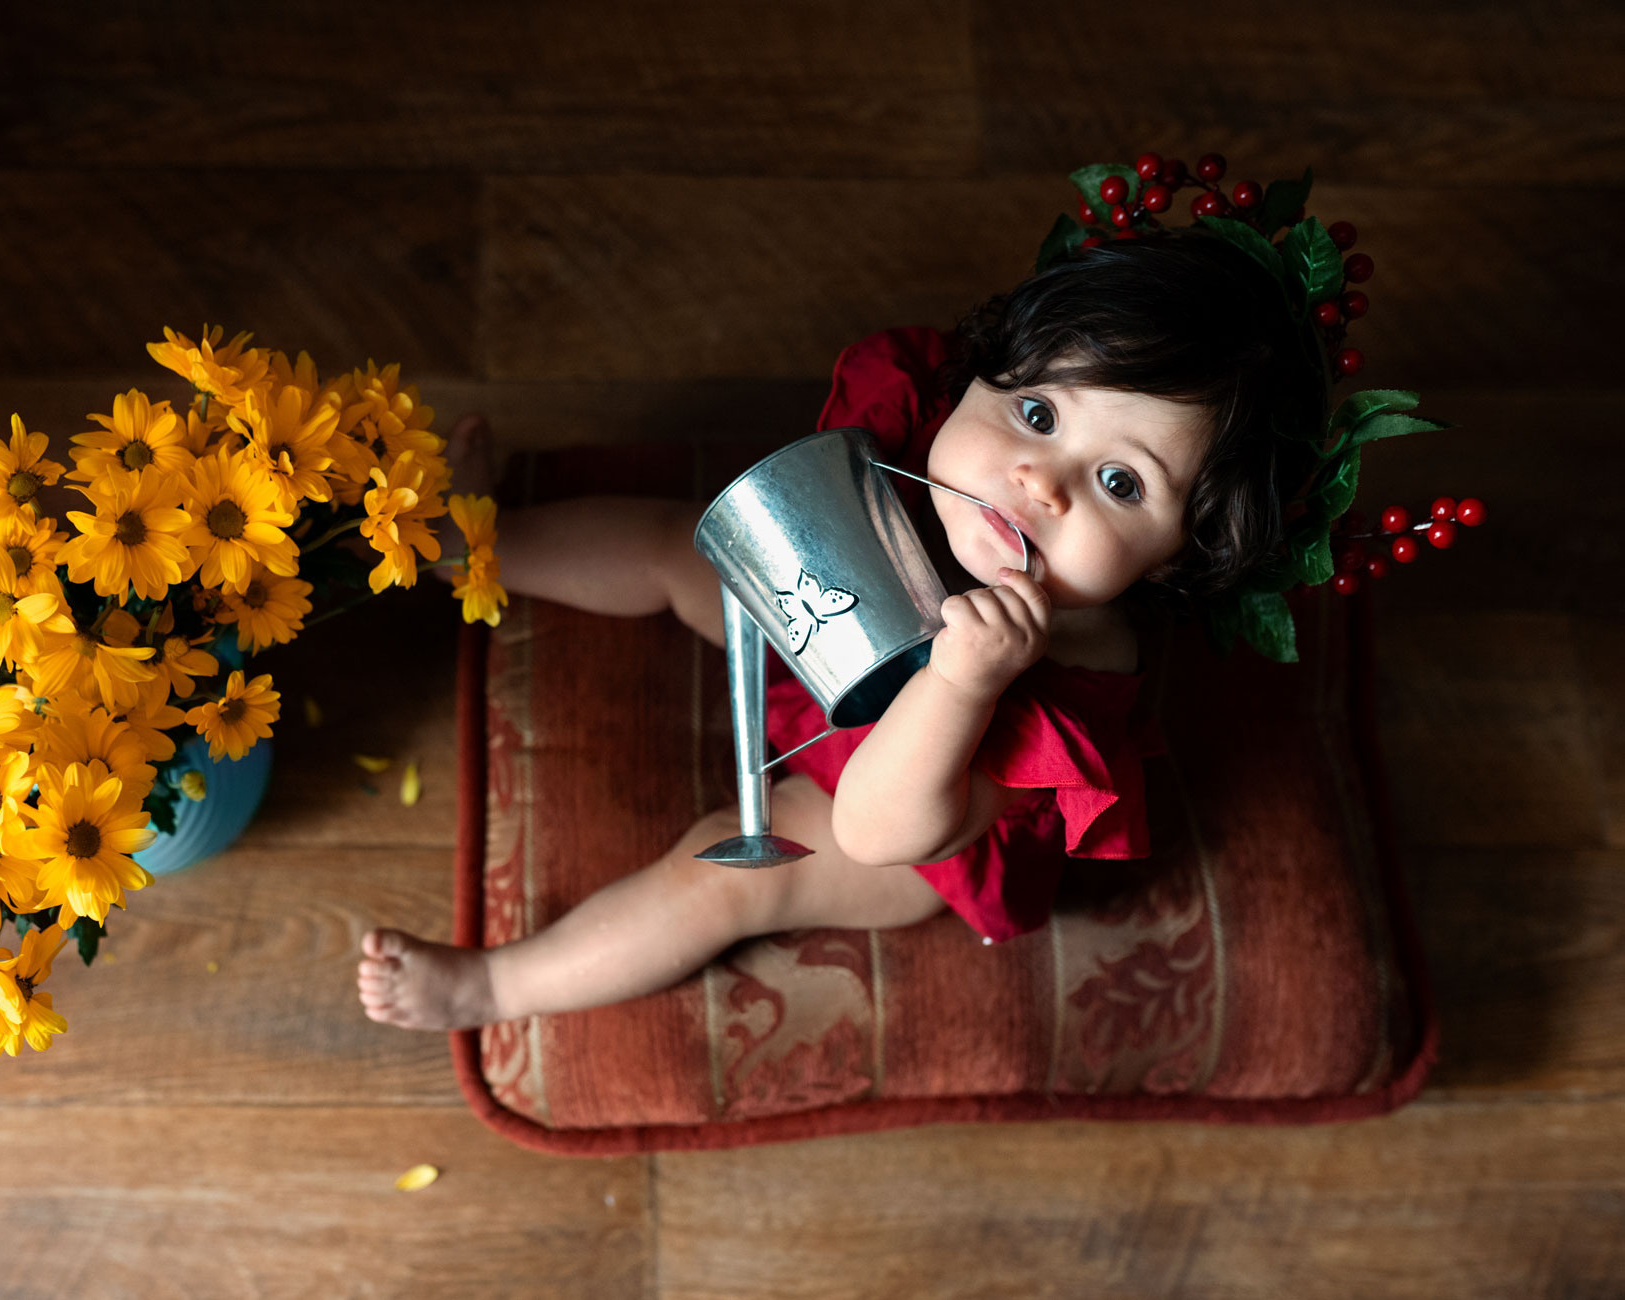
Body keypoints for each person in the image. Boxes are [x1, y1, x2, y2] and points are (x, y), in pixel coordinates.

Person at [357, 227, 1327, 1030]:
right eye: (1035, 410)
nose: (1042, 480)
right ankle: (475, 544)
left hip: (911, 816)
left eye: (1120, 483)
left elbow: (876, 827)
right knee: (678, 544)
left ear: (1172, 560)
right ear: (977, 381)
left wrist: (964, 680)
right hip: (837, 628)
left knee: (730, 872)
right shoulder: (940, 455)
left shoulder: (1075, 680)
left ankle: (493, 987)